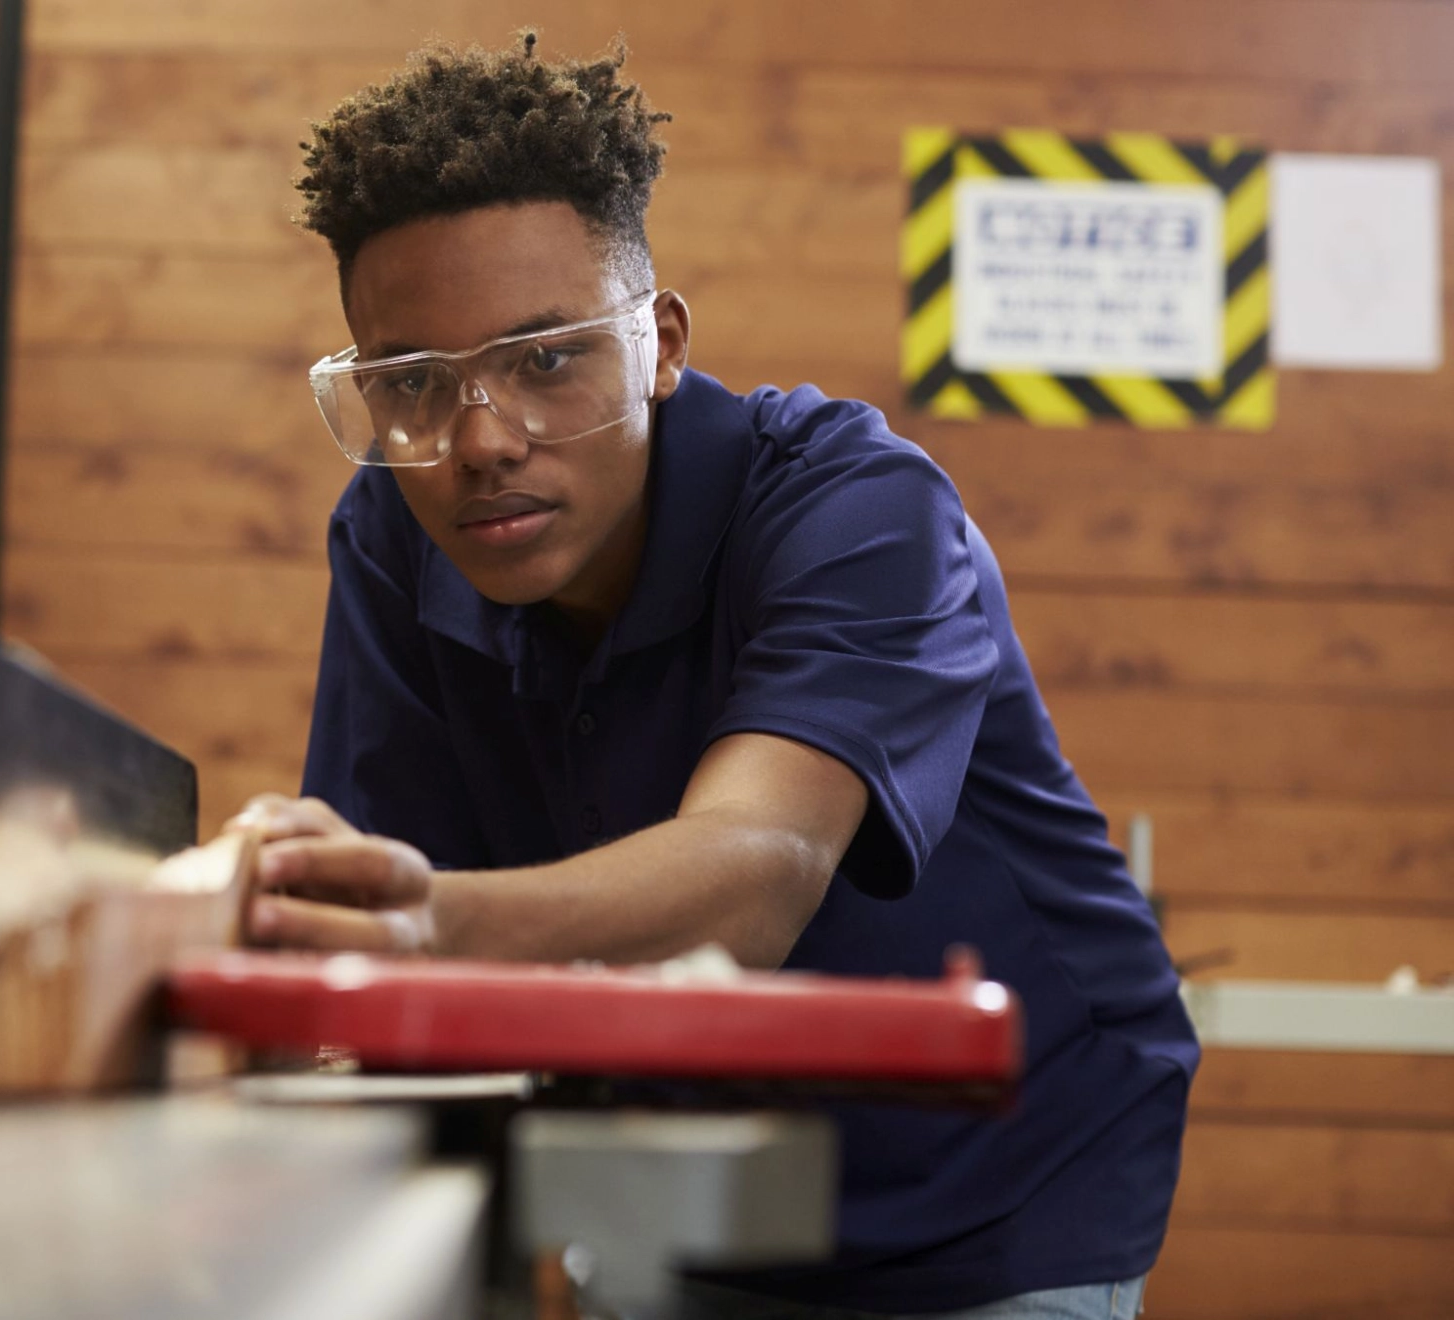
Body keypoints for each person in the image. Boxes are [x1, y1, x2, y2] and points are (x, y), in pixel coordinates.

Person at [225, 33, 1195, 1320]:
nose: (481, 442)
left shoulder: (860, 508)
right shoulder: (395, 536)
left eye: (547, 358)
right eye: (413, 384)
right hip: (682, 1178)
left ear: (660, 343)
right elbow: (415, 897)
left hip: (1000, 1180)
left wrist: (422, 927)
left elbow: (756, 872)